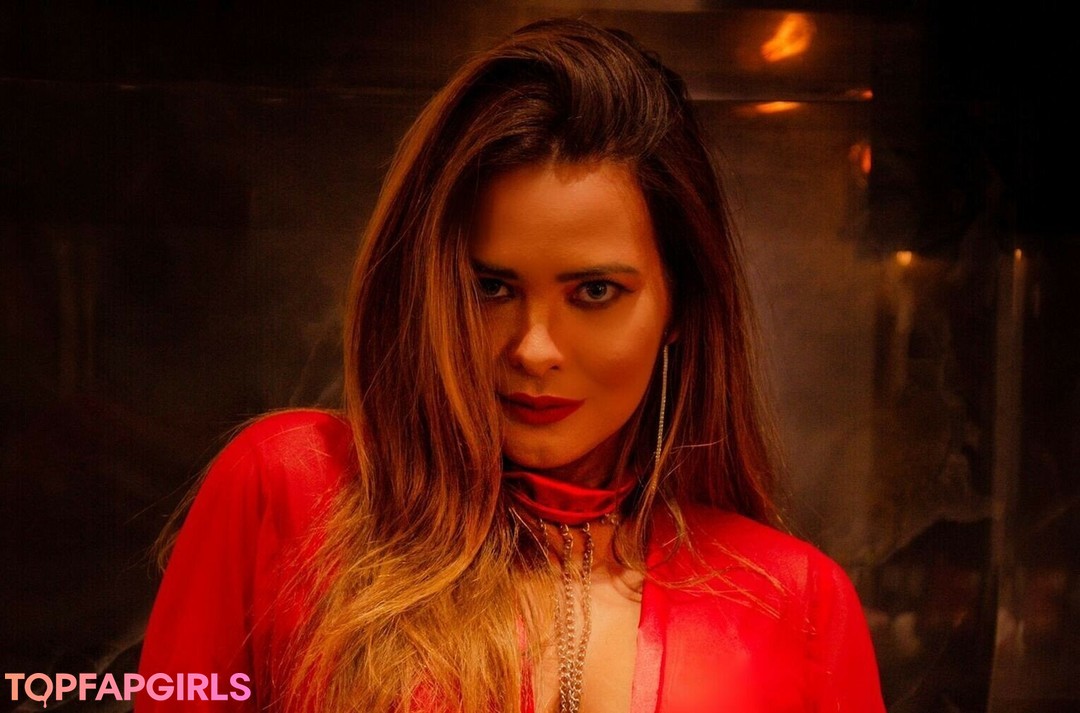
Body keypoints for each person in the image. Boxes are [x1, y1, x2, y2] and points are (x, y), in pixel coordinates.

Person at [136, 17, 886, 713]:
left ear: (680, 306)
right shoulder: (292, 491)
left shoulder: (795, 601)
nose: (533, 348)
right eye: (490, 288)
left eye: (595, 291)